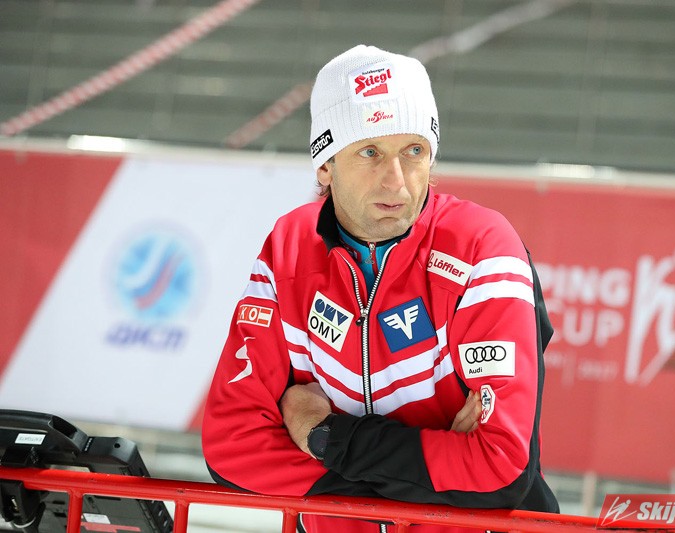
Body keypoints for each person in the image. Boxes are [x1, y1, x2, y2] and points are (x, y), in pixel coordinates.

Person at [202, 44, 559, 533]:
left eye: (414, 151)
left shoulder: (482, 246)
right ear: (324, 166)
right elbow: (231, 445)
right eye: (370, 152)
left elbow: (501, 469)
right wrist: (431, 478)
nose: (397, 182)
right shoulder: (289, 246)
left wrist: (323, 436)